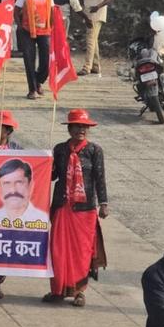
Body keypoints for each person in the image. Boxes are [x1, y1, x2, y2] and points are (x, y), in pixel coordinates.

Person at [45, 109, 109, 307]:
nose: (81, 130)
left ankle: (79, 291)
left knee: (82, 251)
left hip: (85, 208)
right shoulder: (60, 149)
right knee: (58, 250)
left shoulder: (95, 151)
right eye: (77, 126)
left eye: (84, 127)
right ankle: (58, 290)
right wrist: (44, 164)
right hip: (62, 206)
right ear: (70, 128)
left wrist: (104, 203)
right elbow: (53, 176)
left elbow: (99, 178)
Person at [13, 0, 54, 99]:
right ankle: (32, 90)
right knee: (29, 60)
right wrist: (19, 27)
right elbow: (16, 10)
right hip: (27, 31)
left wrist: (52, 27)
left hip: (44, 31)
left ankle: (38, 81)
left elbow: (52, 11)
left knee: (45, 63)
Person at [78, 0, 113, 77]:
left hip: (96, 16)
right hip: (89, 15)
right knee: (94, 40)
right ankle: (96, 66)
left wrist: (98, 7)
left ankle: (87, 67)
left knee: (90, 40)